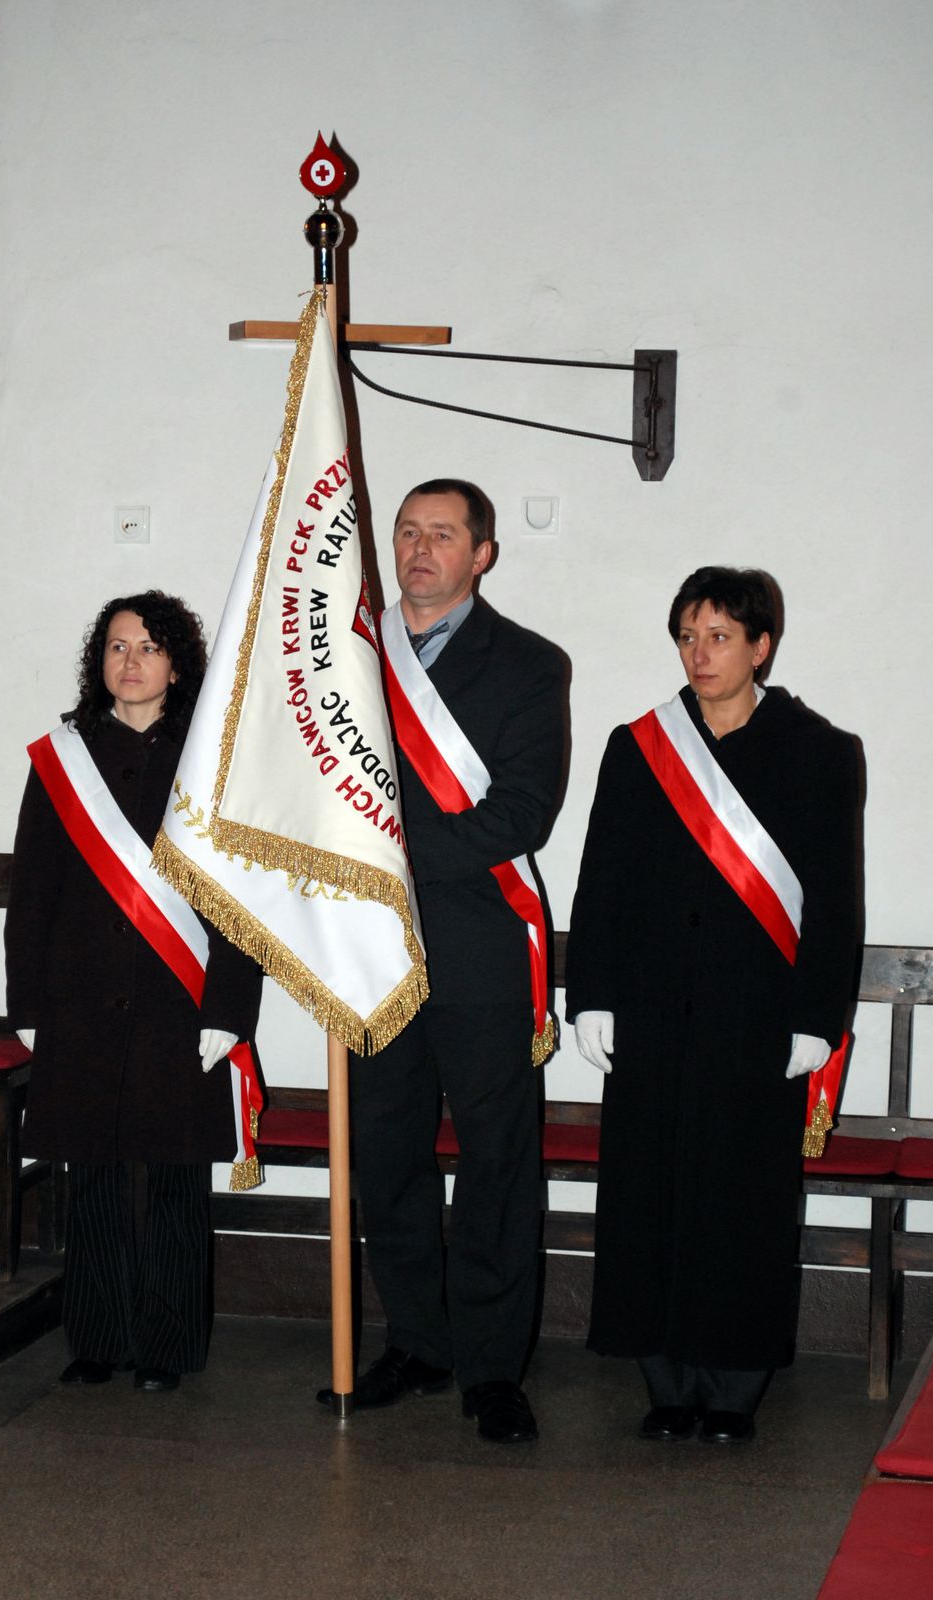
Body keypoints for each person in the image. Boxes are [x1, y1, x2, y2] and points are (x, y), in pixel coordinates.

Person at [565, 566, 860, 1443]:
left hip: (755, 1018)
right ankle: (663, 1380)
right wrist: (592, 995)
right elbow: (602, 878)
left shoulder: (819, 751)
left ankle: (732, 1386)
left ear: (760, 647)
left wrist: (816, 1019)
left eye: (719, 637)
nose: (699, 654)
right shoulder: (638, 745)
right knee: (648, 1191)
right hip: (651, 1013)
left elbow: (834, 899)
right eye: (687, 637)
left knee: (742, 1200)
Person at [332, 479, 565, 1444]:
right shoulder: (344, 655)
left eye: (441, 534)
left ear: (481, 555)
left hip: (478, 948)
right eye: (406, 532)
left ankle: (492, 1367)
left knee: (495, 1161)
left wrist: (386, 853)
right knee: (386, 1155)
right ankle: (417, 1343)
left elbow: (522, 811)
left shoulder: (529, 664)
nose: (419, 549)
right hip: (368, 951)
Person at [5, 591, 262, 1392]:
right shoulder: (64, 760)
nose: (132, 661)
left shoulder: (212, 759)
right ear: (99, 662)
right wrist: (27, 1005)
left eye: (150, 647)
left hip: (180, 999)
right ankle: (96, 1338)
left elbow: (240, 899)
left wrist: (228, 1006)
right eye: (118, 647)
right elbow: (32, 891)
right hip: (80, 998)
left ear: (176, 665)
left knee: (176, 1178)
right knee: (94, 1176)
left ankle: (167, 1348)